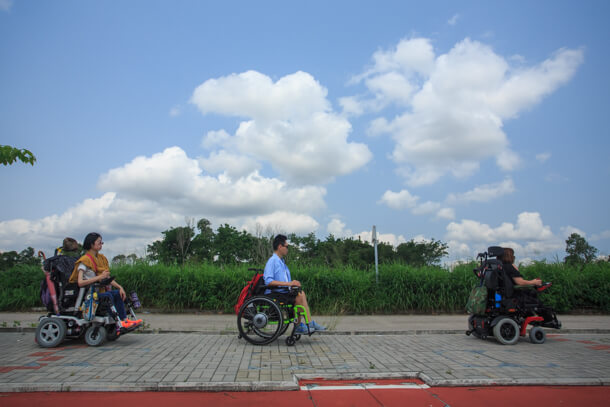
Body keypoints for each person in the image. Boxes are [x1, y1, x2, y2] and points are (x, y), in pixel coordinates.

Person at [68, 233, 141, 329]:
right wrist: (99, 277)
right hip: (89, 295)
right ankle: (117, 321)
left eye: (101, 242)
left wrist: (120, 287)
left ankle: (124, 320)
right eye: (99, 242)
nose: (101, 244)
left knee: (117, 293)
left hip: (98, 292)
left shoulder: (101, 259)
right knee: (108, 296)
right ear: (91, 244)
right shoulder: (84, 261)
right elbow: (80, 282)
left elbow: (107, 278)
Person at [263, 234, 326, 334]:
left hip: (282, 292)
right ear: (280, 247)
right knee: (299, 295)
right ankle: (304, 325)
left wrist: (293, 284)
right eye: (286, 246)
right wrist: (289, 284)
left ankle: (307, 324)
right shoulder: (272, 261)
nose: (288, 249)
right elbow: (268, 281)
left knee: (300, 293)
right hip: (274, 293)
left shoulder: (281, 262)